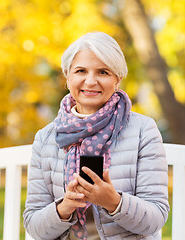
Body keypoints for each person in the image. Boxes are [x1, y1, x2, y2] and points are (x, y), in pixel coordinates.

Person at [23, 32, 169, 240]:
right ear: (68, 76)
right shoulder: (46, 138)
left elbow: (155, 218)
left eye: (103, 72)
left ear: (117, 79)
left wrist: (113, 201)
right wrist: (65, 206)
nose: (91, 81)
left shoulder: (142, 130)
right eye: (81, 71)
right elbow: (34, 226)